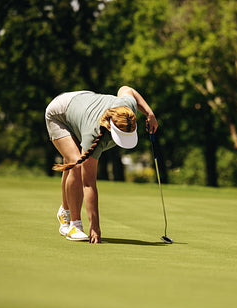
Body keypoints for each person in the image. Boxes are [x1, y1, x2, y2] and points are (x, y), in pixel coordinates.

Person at [45, 86, 158, 243]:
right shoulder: (93, 134)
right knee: (75, 164)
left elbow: (126, 88)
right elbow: (89, 184)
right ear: (110, 127)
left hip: (83, 102)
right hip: (59, 113)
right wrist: (95, 226)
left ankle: (64, 210)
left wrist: (149, 113)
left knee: (73, 160)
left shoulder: (128, 106)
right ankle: (75, 225)